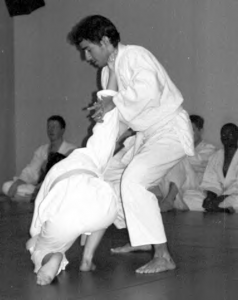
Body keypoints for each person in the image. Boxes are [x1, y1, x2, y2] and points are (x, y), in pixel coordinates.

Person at [67, 15, 194, 274]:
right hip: (145, 136)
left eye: (88, 50)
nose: (87, 58)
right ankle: (143, 239)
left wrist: (114, 103)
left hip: (169, 129)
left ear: (104, 41)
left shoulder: (135, 55)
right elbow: (122, 119)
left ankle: (163, 255)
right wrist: (103, 141)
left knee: (133, 181)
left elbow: (147, 93)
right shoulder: (106, 74)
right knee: (106, 177)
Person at [27, 100, 119, 285]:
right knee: (99, 199)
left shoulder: (50, 178)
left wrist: (34, 242)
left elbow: (36, 226)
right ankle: (87, 259)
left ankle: (52, 259)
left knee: (38, 249)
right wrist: (111, 107)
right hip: (104, 207)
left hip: (63, 218)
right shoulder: (88, 155)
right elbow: (105, 130)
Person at [2, 115, 76, 202]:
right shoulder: (42, 150)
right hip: (38, 188)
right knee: (6, 186)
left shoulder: (71, 150)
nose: (50, 130)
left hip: (58, 187)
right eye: (49, 126)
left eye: (54, 127)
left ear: (62, 130)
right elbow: (31, 170)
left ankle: (34, 198)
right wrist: (18, 182)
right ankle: (36, 198)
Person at [158, 114, 216, 212]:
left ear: (200, 131)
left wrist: (178, 153)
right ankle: (174, 200)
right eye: (186, 130)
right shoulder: (182, 148)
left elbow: (197, 162)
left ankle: (170, 199)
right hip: (179, 183)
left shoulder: (209, 148)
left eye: (192, 130)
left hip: (194, 182)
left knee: (178, 157)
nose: (188, 133)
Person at [181, 123, 238, 213]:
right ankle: (220, 209)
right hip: (219, 195)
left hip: (233, 195)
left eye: (230, 134)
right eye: (223, 134)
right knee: (187, 196)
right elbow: (211, 181)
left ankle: (216, 207)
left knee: (235, 200)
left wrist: (219, 199)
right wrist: (210, 197)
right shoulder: (216, 156)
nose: (226, 137)